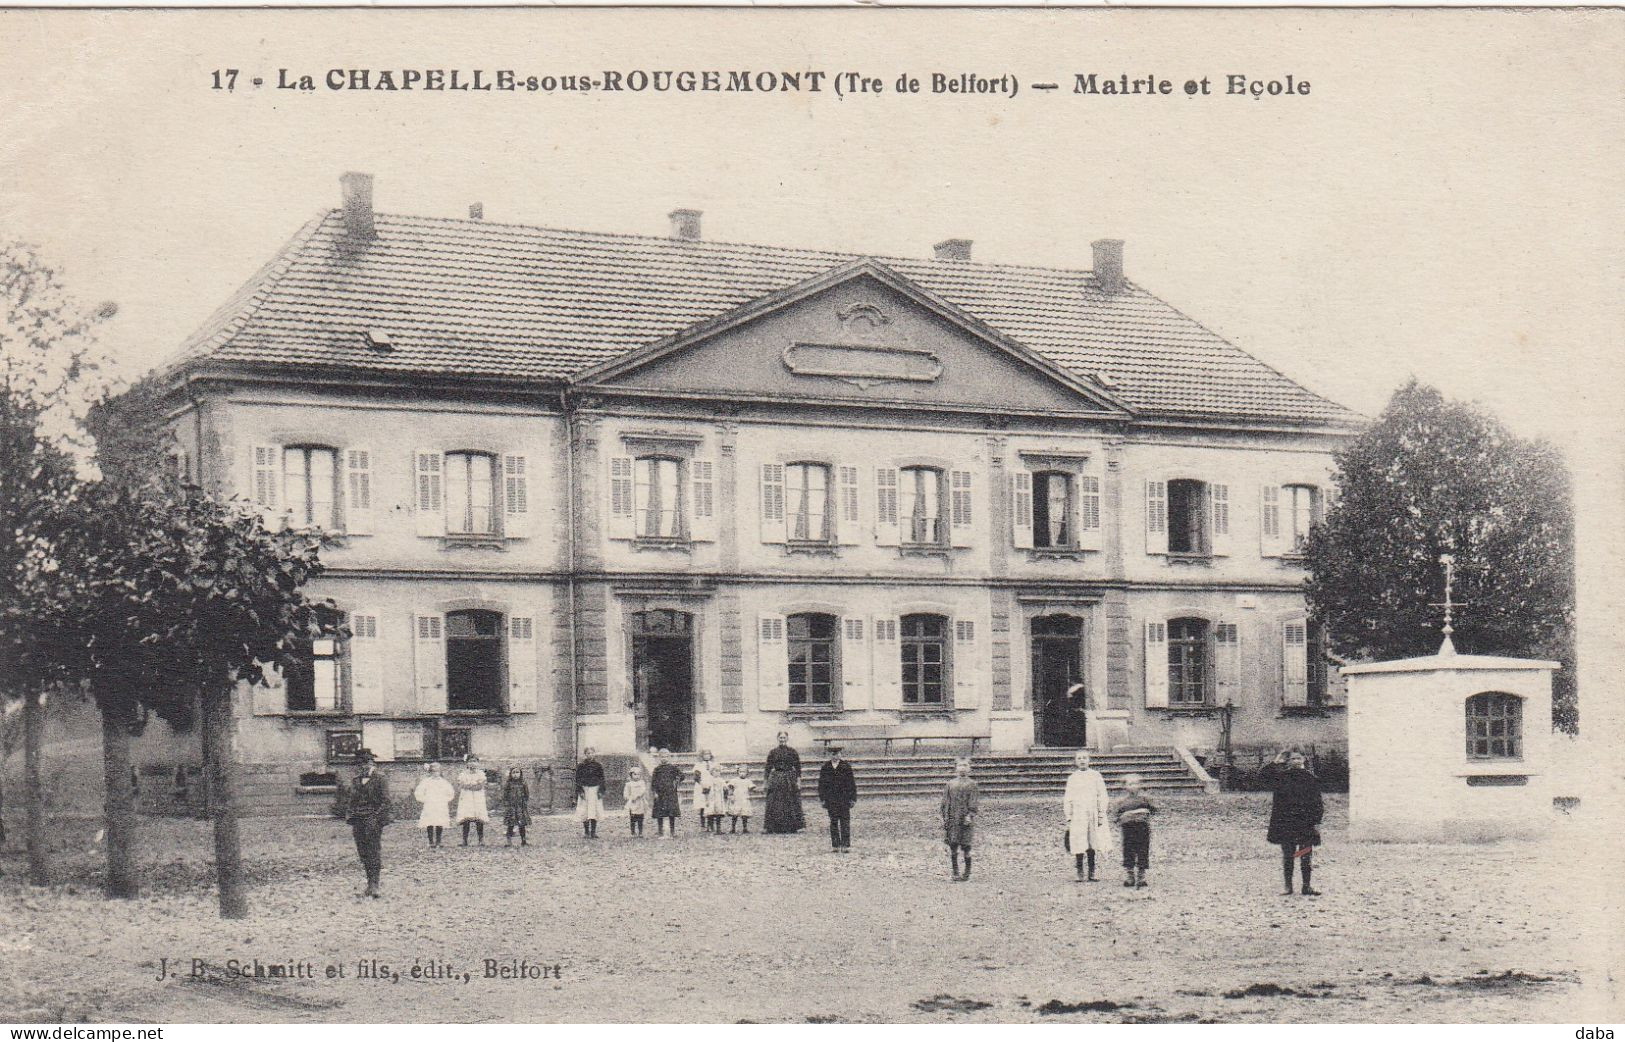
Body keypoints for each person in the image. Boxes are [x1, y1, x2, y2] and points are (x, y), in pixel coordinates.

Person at [1264, 749, 1325, 897]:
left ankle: (1306, 886)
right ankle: (1288, 887)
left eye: (1299, 758)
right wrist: (1275, 761)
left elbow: (1318, 802)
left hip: (1305, 824)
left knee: (1305, 854)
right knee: (1288, 855)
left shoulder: (1311, 778)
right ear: (1288, 761)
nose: (1296, 761)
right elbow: (1262, 778)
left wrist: (1317, 822)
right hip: (1286, 823)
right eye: (1292, 759)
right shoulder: (1281, 777)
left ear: (1304, 760)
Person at [345, 748, 391, 898]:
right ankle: (369, 883)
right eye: (359, 765)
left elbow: (386, 801)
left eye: (365, 763)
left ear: (371, 763)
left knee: (373, 851)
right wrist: (350, 815)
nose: (362, 767)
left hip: (373, 819)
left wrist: (376, 818)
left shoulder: (380, 778)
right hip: (358, 819)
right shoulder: (356, 780)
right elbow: (352, 801)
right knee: (363, 852)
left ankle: (374, 885)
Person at [1063, 750, 1113, 882]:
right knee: (1079, 841)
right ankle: (1080, 871)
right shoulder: (1072, 778)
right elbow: (1068, 798)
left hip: (1093, 813)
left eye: (1085, 758)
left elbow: (1102, 795)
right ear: (1075, 761)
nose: (1082, 760)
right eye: (1079, 758)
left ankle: (1092, 872)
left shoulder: (1096, 776)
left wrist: (1101, 813)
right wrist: (1069, 816)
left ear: (1089, 760)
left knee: (1092, 842)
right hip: (1078, 815)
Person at [1111, 773, 1157, 888]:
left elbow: (1154, 809)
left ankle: (1141, 876)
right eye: (1130, 784)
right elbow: (1116, 814)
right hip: (1128, 829)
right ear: (1125, 786)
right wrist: (1121, 819)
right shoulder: (1121, 801)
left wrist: (1144, 814)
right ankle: (1130, 876)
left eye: (1136, 783)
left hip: (1142, 828)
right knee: (1128, 851)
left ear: (1140, 785)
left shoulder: (1145, 799)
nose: (1134, 786)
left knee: (1142, 851)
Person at [941, 757, 979, 882]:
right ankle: (955, 872)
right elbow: (945, 802)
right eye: (960, 765)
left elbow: (973, 802)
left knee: (966, 846)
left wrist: (970, 815)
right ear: (956, 768)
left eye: (965, 765)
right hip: (953, 819)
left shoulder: (972, 784)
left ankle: (967, 873)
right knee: (953, 845)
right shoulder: (950, 784)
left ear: (969, 768)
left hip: (965, 820)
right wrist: (945, 817)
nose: (962, 768)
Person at [763, 732, 805, 834]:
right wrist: (766, 782)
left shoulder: (792, 751)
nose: (782, 739)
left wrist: (798, 781)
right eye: (780, 738)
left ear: (787, 738)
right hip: (777, 778)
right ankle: (774, 826)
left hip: (790, 779)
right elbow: (768, 768)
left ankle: (793, 826)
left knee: (791, 801)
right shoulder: (773, 752)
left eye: (784, 738)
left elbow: (798, 767)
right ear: (777, 738)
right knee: (775, 802)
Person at [817, 747, 858, 851]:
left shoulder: (846, 767)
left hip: (844, 798)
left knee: (845, 821)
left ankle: (845, 845)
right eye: (833, 754)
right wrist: (822, 799)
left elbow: (852, 784)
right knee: (833, 821)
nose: (835, 756)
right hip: (831, 799)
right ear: (830, 755)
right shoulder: (825, 767)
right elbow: (821, 784)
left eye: (837, 754)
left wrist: (853, 798)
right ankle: (835, 845)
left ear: (840, 754)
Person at [412, 762, 454, 848]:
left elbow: (450, 792)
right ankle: (431, 841)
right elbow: (419, 792)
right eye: (433, 772)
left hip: (440, 804)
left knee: (440, 821)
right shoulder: (426, 782)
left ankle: (438, 841)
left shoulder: (444, 782)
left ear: (440, 772)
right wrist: (424, 799)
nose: (435, 773)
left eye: (437, 771)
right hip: (430, 804)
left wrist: (445, 799)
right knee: (429, 821)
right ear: (430, 772)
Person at [455, 754, 490, 846]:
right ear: (467, 763)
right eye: (470, 761)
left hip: (477, 798)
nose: (472, 763)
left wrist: (470, 786)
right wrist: (471, 786)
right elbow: (462, 785)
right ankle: (464, 840)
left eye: (474, 761)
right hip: (467, 798)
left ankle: (481, 839)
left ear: (478, 763)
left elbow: (480, 786)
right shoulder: (463, 774)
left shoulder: (481, 774)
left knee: (479, 819)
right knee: (466, 819)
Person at [650, 749, 682, 837]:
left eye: (666, 756)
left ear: (669, 757)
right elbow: (653, 782)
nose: (664, 758)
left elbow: (681, 775)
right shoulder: (657, 769)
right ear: (659, 758)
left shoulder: (673, 768)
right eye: (662, 757)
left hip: (671, 793)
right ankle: (660, 831)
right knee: (660, 813)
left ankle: (672, 831)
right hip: (660, 794)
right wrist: (655, 792)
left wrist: (676, 781)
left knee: (671, 813)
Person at [575, 748, 606, 838]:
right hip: (585, 790)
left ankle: (593, 832)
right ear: (585, 754)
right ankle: (586, 832)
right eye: (588, 753)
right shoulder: (581, 766)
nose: (590, 755)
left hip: (595, 790)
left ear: (594, 754)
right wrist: (580, 791)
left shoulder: (598, 766)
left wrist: (601, 791)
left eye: (592, 753)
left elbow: (602, 779)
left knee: (594, 811)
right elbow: (578, 779)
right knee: (585, 811)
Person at [693, 750, 723, 834]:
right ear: (702, 755)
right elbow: (696, 777)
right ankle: (703, 825)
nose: (707, 756)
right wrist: (702, 784)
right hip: (701, 786)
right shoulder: (698, 765)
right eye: (705, 754)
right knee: (702, 805)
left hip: (712, 786)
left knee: (711, 805)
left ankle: (711, 825)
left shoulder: (714, 764)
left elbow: (717, 773)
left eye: (708, 754)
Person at [503, 766, 532, 847]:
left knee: (522, 824)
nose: (515, 774)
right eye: (514, 773)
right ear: (511, 774)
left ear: (520, 774)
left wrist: (524, 803)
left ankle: (523, 841)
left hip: (520, 807)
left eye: (517, 772)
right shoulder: (508, 783)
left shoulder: (523, 783)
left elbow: (527, 794)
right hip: (511, 807)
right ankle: (509, 842)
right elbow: (505, 795)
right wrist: (507, 804)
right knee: (510, 824)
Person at [724, 764, 754, 833]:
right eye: (740, 772)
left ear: (747, 773)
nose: (742, 773)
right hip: (737, 799)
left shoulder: (748, 781)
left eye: (744, 772)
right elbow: (731, 787)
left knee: (744, 815)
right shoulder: (735, 780)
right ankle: (733, 828)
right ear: (738, 772)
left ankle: (745, 828)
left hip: (744, 799)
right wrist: (731, 795)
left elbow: (751, 787)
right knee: (735, 814)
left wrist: (752, 790)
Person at [624, 764, 650, 836]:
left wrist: (637, 796)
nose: (637, 776)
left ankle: (640, 832)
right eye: (635, 774)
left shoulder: (641, 783)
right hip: (632, 802)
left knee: (640, 817)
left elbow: (643, 790)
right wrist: (627, 797)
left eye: (638, 774)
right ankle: (633, 832)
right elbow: (626, 792)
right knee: (632, 817)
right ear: (631, 775)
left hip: (640, 801)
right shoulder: (629, 784)